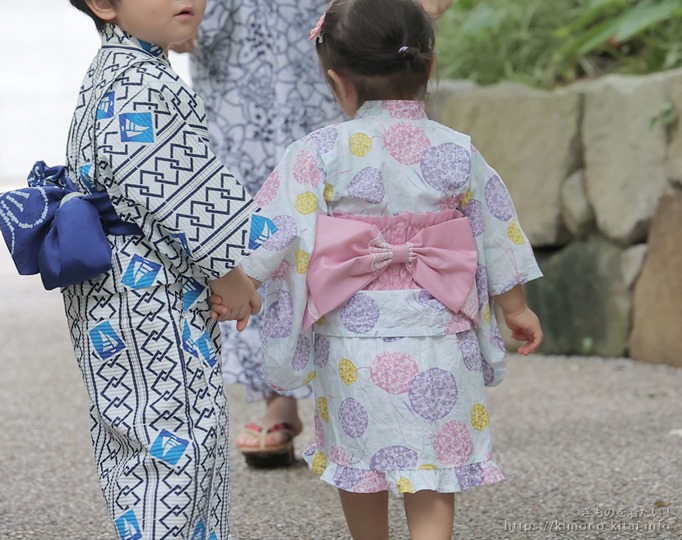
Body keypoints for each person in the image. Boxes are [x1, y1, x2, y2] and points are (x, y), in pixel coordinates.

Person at [212, 0, 543, 538]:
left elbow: (273, 227)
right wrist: (516, 307)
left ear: (337, 81)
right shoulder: (458, 151)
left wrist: (244, 285)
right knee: (435, 468)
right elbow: (496, 230)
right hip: (441, 337)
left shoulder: (317, 152)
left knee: (359, 464)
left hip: (352, 343)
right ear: (429, 67)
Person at [172, 0, 455, 468]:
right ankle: (278, 394)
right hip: (244, 59)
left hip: (333, 34)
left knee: (351, 192)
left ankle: (365, 381)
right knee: (261, 202)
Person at [15, 1, 261, 538]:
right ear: (105, 3)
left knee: (136, 437)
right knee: (177, 442)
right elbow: (177, 195)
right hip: (147, 295)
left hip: (111, 295)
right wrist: (230, 277)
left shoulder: (113, 70)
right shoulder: (144, 85)